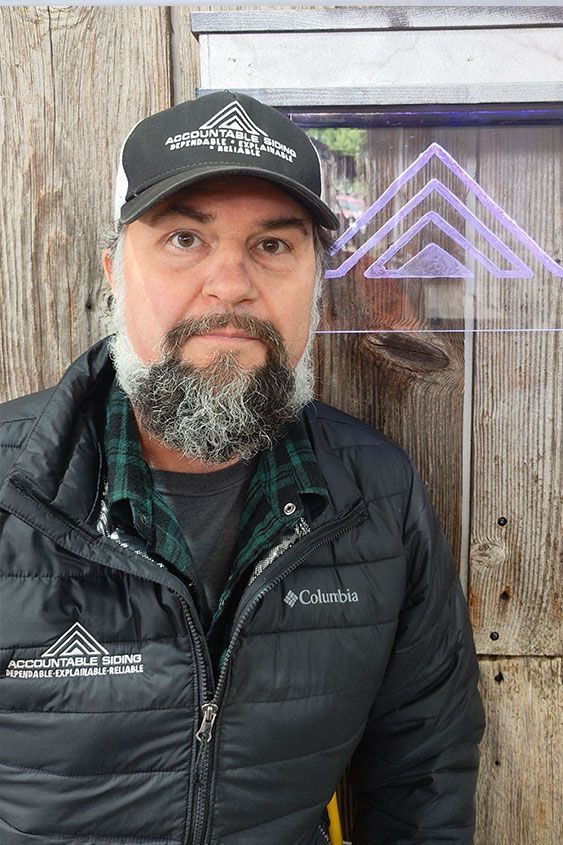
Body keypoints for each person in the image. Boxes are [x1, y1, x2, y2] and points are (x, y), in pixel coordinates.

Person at [0, 91, 484, 844]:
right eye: (185, 239)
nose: (230, 284)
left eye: (271, 245)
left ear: (314, 280)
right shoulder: (12, 488)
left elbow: (420, 775)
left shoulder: (376, 493)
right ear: (113, 271)